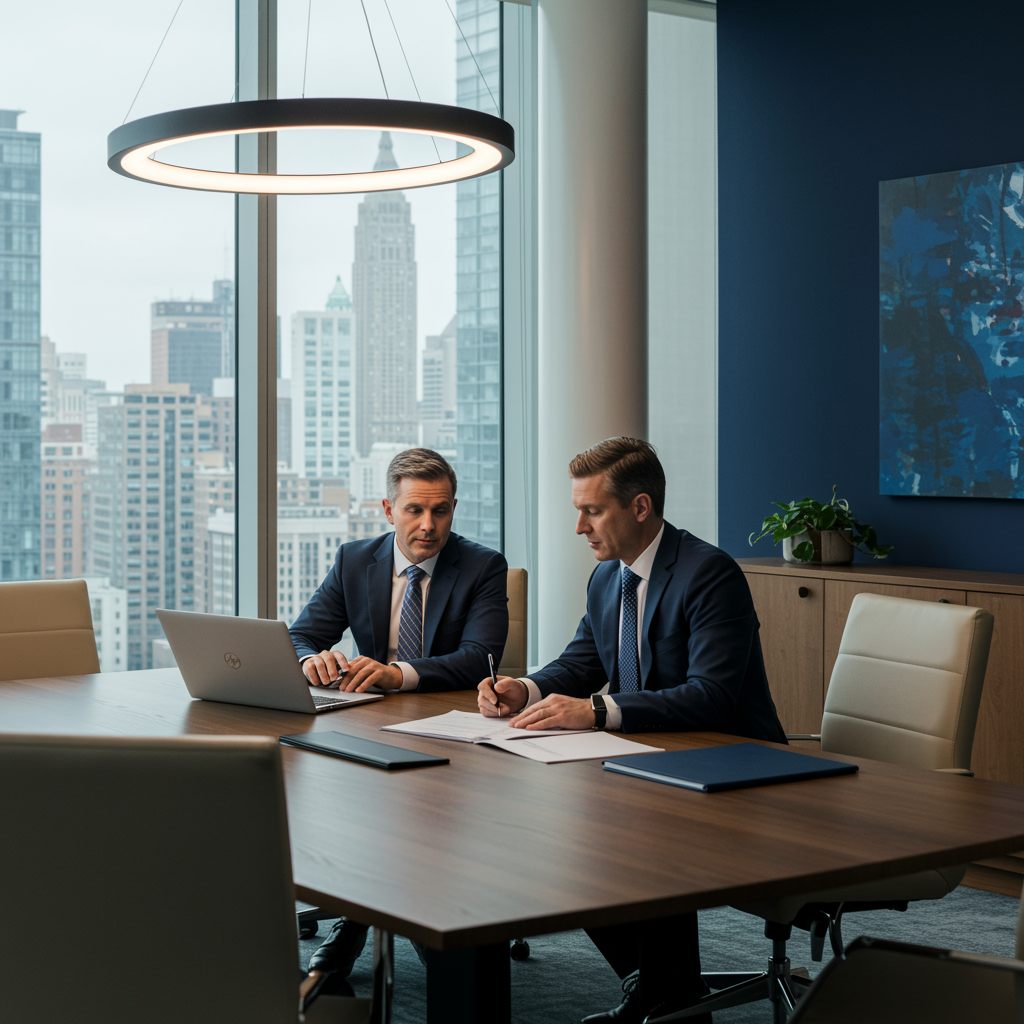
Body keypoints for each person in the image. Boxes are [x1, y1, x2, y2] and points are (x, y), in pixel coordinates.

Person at [478, 436, 785, 1024]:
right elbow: (581, 661)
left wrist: (598, 711)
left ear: (640, 508)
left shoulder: (708, 574)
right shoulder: (608, 578)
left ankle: (669, 993)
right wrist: (527, 687)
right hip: (654, 761)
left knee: (622, 835)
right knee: (565, 836)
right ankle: (662, 986)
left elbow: (713, 696)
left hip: (741, 768)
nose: (578, 527)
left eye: (592, 511)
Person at [292, 447, 508, 984]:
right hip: (367, 723)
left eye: (440, 511)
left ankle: (365, 922)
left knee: (400, 816)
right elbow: (301, 634)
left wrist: (400, 673)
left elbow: (479, 656)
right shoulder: (354, 559)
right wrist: (310, 658)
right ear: (388, 510)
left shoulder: (483, 566)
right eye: (414, 510)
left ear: (454, 509)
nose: (428, 526)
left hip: (450, 737)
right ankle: (365, 913)